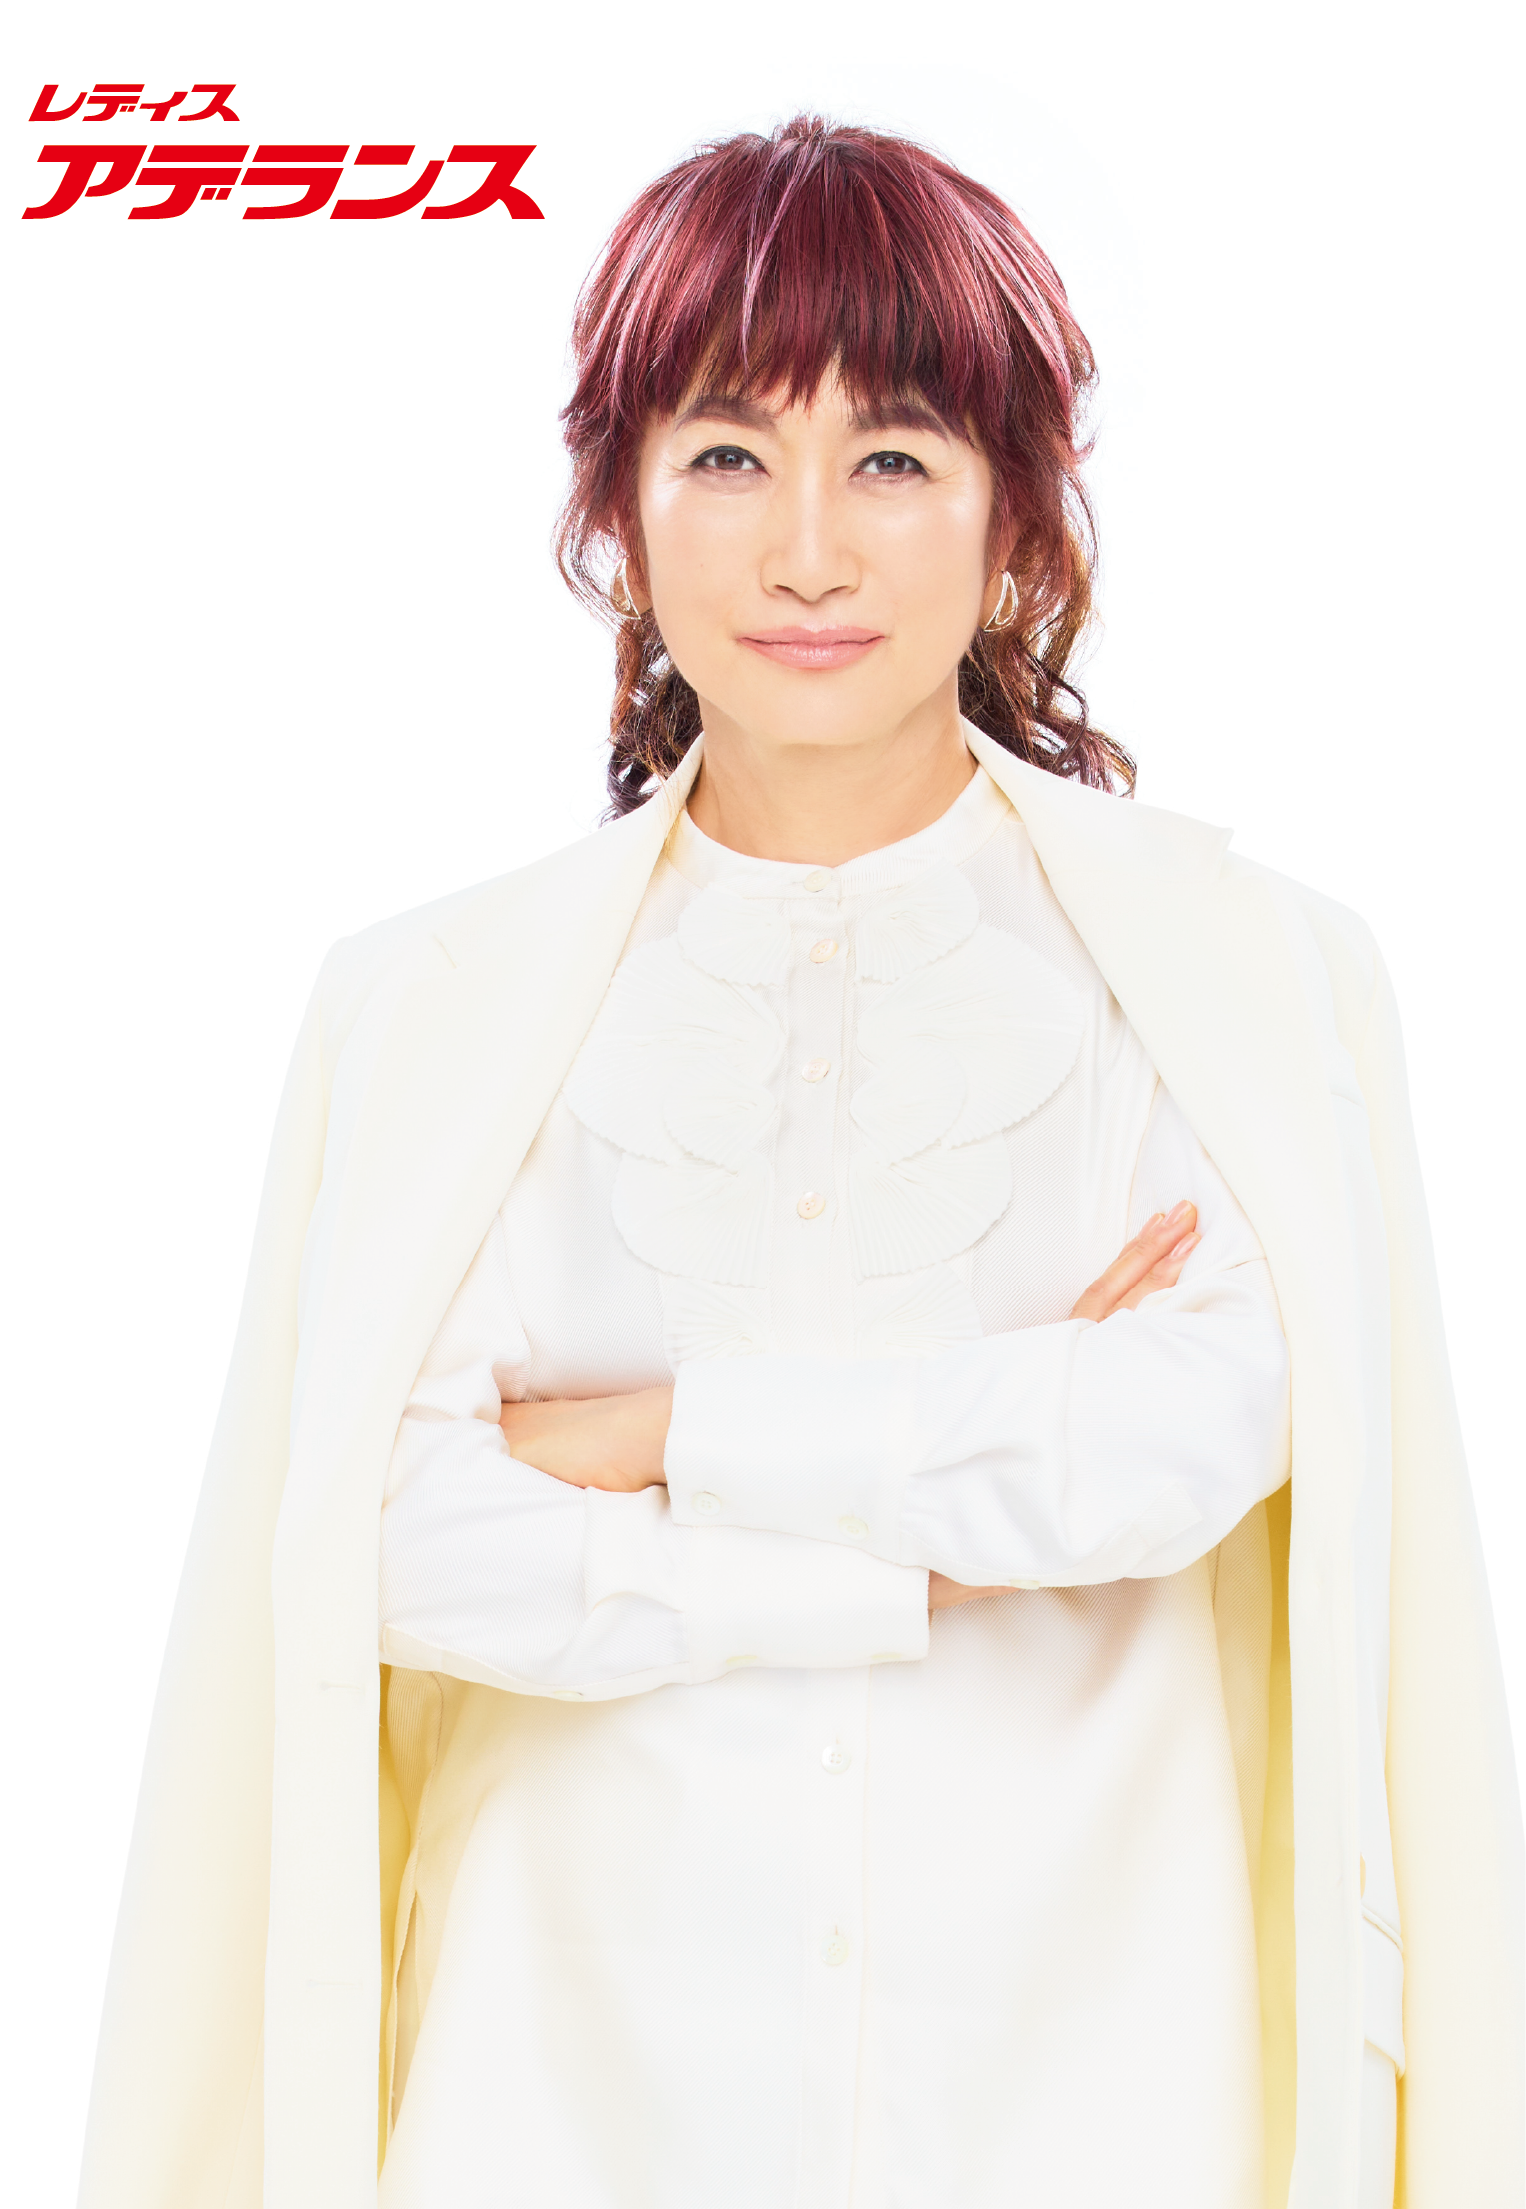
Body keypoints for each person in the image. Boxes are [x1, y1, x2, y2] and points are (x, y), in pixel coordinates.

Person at [78, 116, 1520, 2209]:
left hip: (1095, 2105)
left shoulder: (1234, 974)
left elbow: (1180, 1439)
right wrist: (921, 1534)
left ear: (1018, 513)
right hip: (562, 2113)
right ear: (618, 508)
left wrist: (650, 1435)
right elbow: (378, 1542)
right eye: (729, 455)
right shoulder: (435, 1010)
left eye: (895, 459)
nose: (810, 553)